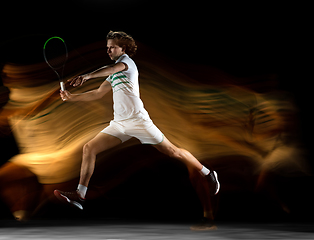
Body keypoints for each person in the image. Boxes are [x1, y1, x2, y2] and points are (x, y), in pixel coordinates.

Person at [54, 31, 220, 212]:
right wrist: (72, 97)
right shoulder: (113, 74)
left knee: (173, 151)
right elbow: (97, 93)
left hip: (139, 121)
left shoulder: (127, 64)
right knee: (89, 148)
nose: (108, 51)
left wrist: (87, 76)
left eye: (112, 47)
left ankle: (208, 173)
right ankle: (80, 195)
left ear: (123, 48)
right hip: (120, 124)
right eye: (107, 48)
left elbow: (110, 69)